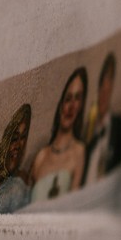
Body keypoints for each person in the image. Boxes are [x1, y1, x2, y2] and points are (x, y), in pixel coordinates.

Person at [29, 66, 89, 201]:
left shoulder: (79, 151)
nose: (71, 107)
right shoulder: (41, 156)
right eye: (68, 98)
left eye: (77, 98)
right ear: (60, 104)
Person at [88, 53, 121, 184]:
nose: (103, 98)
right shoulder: (90, 133)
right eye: (101, 92)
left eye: (107, 92)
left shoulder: (118, 125)